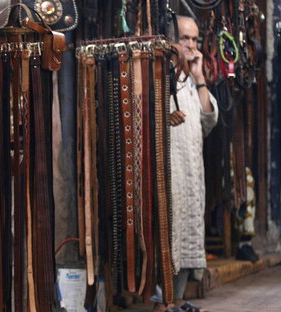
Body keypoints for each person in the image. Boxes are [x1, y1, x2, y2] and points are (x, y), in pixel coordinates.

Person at [154, 16, 218, 312]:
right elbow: (142, 120)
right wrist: (164, 121)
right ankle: (161, 300)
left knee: (188, 231)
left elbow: (208, 119)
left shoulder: (191, 79)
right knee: (168, 232)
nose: (191, 45)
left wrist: (200, 75)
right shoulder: (159, 73)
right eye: (185, 38)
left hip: (191, 170)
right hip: (169, 169)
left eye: (194, 39)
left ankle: (176, 299)